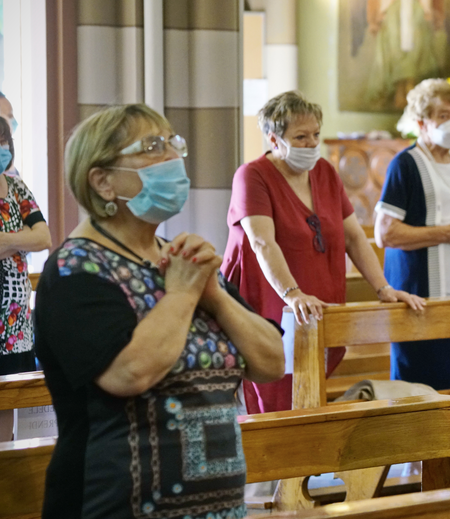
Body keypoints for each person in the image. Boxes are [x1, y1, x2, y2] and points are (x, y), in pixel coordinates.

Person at [34, 104, 285, 518]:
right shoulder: (75, 270)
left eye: (173, 143)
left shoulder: (181, 260)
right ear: (103, 182)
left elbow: (271, 362)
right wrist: (184, 295)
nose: (173, 158)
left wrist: (215, 296)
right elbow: (129, 373)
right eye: (152, 147)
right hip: (114, 502)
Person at [222, 91, 423, 414]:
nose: (311, 144)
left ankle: (309, 462)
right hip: (269, 299)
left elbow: (355, 238)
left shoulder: (325, 172)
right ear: (274, 139)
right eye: (300, 137)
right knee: (274, 396)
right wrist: (293, 294)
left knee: (309, 393)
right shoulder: (253, 176)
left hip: (317, 300)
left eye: (315, 134)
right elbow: (262, 242)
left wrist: (384, 289)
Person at [375, 79, 450, 390]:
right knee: (421, 383)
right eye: (442, 115)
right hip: (419, 290)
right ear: (422, 122)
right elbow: (386, 233)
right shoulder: (405, 164)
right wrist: (447, 233)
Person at [0, 117, 51, 442]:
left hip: (14, 322)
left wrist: (5, 241)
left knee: (6, 404)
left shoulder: (17, 187)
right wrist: (21, 238)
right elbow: (30, 236)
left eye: (3, 141)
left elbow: (44, 236)